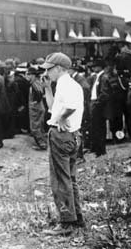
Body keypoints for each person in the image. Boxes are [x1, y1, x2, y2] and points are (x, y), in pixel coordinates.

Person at [41, 52, 85, 235]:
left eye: (49, 69)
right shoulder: (65, 84)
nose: (47, 73)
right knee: (70, 179)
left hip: (61, 136)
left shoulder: (66, 84)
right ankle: (77, 218)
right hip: (73, 136)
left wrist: (60, 119)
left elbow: (70, 107)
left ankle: (66, 223)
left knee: (60, 180)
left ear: (59, 68)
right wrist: (47, 89)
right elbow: (53, 109)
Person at [26, 66, 47, 150]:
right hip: (38, 107)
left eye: (29, 74)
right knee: (39, 126)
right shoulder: (36, 82)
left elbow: (39, 92)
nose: (28, 76)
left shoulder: (34, 83)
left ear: (33, 75)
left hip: (36, 108)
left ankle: (42, 144)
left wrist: (35, 101)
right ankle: (42, 142)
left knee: (35, 127)